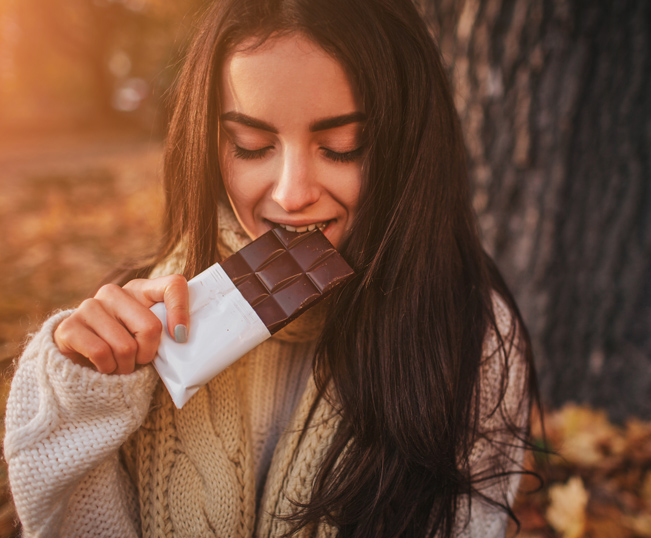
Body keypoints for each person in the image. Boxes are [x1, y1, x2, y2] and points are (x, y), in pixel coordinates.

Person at [3, 0, 536, 536]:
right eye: (252, 147)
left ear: (407, 145)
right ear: (211, 144)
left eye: (341, 148)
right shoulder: (147, 319)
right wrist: (79, 398)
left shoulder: (473, 339)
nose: (292, 193)